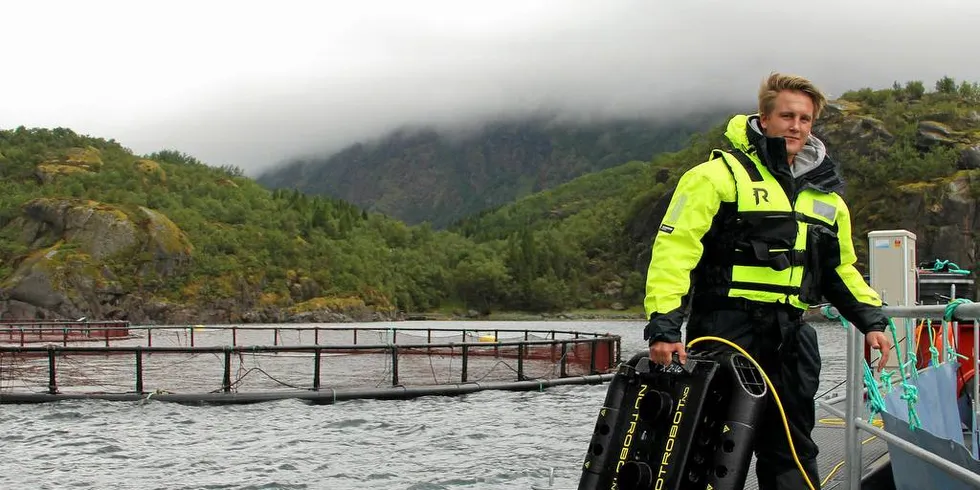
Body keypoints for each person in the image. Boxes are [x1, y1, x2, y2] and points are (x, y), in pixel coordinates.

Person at [642, 72, 894, 490]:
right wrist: (665, 326)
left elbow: (840, 270)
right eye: (787, 116)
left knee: (792, 448)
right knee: (710, 447)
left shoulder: (828, 198)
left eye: (806, 119)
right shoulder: (714, 177)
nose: (796, 126)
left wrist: (873, 322)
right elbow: (674, 251)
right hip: (726, 333)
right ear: (764, 117)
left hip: (791, 339)